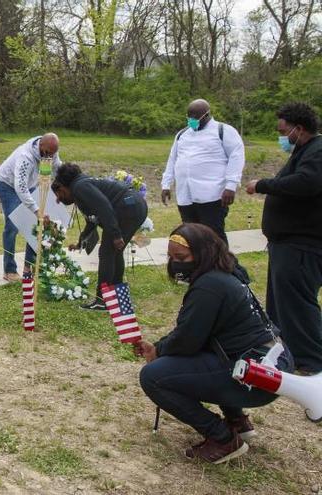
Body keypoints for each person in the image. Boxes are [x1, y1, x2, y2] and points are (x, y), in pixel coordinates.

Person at [136, 223, 294, 464]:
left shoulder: (209, 286)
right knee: (211, 358)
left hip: (256, 376)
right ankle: (237, 421)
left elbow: (187, 340)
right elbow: (198, 332)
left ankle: (222, 437)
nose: (175, 263)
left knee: (153, 376)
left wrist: (158, 351)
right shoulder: (227, 274)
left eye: (181, 257)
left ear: (203, 253)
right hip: (271, 362)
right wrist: (160, 345)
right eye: (171, 257)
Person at [246, 102, 322, 374]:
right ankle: (287, 353)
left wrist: (263, 185)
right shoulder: (304, 151)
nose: (280, 136)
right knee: (281, 305)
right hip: (285, 244)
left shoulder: (318, 151)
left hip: (302, 246)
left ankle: (314, 364)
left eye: (282, 131)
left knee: (298, 306)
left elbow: (307, 183)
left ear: (298, 129)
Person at [52, 163, 147, 310]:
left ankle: (102, 300)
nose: (59, 199)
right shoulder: (81, 185)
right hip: (135, 205)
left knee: (107, 253)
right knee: (114, 253)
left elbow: (104, 206)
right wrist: (80, 242)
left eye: (58, 194)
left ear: (63, 186)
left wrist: (115, 234)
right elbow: (92, 220)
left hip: (127, 207)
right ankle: (118, 298)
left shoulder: (79, 187)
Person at [161, 99, 245, 244]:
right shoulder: (182, 134)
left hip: (212, 195)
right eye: (189, 117)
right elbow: (172, 159)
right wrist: (166, 185)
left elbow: (236, 157)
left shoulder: (223, 131)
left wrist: (231, 186)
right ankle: (197, 266)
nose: (191, 120)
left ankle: (224, 266)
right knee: (190, 236)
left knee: (214, 236)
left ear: (206, 115)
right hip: (186, 195)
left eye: (194, 117)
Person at [0, 133, 61, 282]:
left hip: (30, 185)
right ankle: (9, 270)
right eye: (48, 153)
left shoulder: (51, 151)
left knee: (36, 224)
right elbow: (20, 188)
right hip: (8, 185)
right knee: (12, 225)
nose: (51, 157)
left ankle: (28, 267)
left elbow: (58, 168)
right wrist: (37, 210)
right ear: (41, 146)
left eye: (53, 154)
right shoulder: (25, 157)